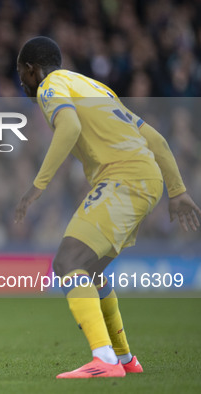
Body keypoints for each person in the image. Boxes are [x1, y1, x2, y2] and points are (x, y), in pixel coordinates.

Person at [14, 36, 201, 379]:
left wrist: (37, 186)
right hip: (144, 179)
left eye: (21, 74)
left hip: (124, 178)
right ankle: (125, 358)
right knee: (92, 271)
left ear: (31, 69)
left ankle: (103, 360)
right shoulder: (95, 87)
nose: (22, 82)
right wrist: (177, 191)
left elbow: (68, 127)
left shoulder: (50, 86)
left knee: (68, 262)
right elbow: (156, 139)